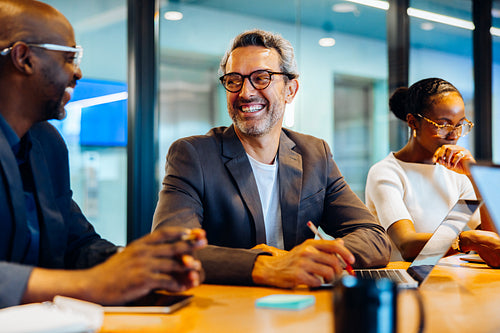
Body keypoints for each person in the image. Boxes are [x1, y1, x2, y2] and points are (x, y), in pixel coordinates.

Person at [0, 0, 207, 309]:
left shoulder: (47, 144)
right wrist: (90, 285)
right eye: (70, 57)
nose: (78, 72)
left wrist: (138, 264)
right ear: (24, 58)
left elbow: (76, 243)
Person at [152, 29, 391, 289]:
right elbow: (171, 247)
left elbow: (374, 237)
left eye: (261, 78)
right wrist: (266, 265)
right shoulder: (193, 155)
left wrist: (312, 259)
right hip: (225, 310)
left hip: (300, 307)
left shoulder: (314, 153)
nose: (245, 92)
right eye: (234, 80)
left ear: (290, 90)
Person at [365, 78, 494, 261]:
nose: (453, 135)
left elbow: (492, 243)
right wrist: (465, 241)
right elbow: (407, 245)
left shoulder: (456, 174)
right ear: (413, 122)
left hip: (450, 280)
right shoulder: (387, 172)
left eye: (459, 125)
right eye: (443, 125)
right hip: (405, 282)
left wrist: (474, 176)